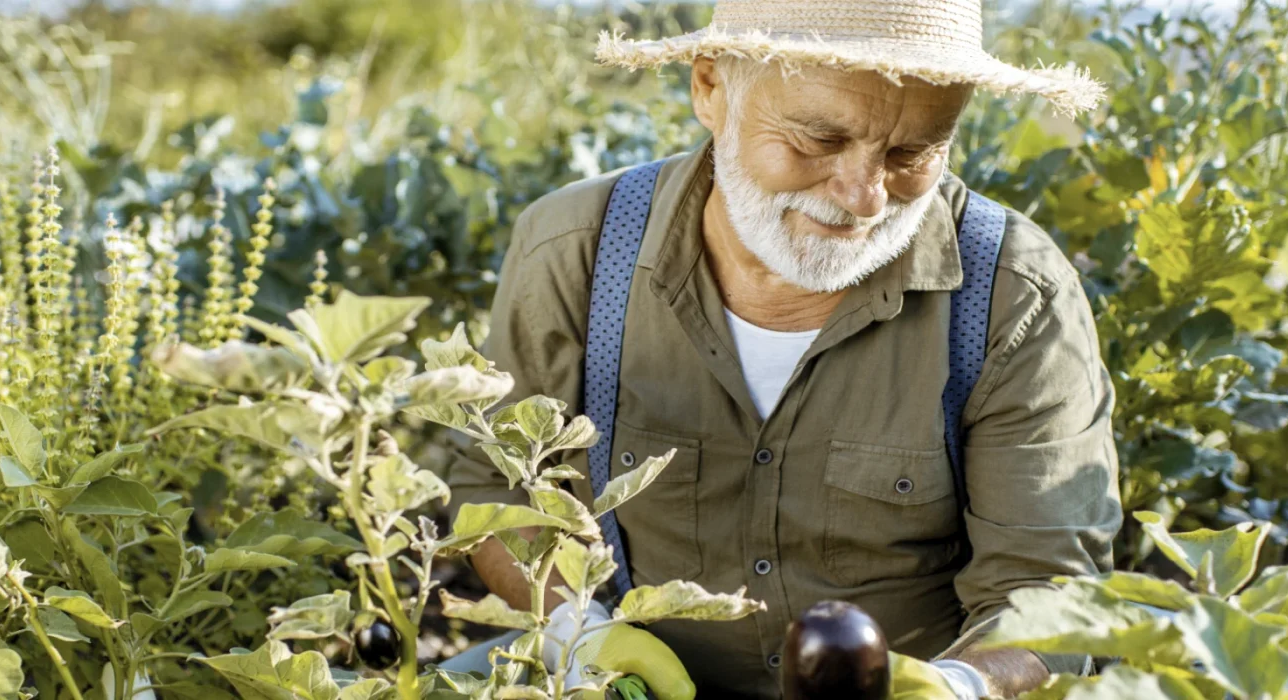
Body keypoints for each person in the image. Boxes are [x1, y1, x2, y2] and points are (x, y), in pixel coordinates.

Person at [443, 0, 1122, 697]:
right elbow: (495, 490)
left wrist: (959, 686)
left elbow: (1048, 587)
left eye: (910, 154)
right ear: (710, 88)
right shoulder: (578, 252)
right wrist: (578, 634)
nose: (863, 197)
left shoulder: (1013, 295)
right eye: (816, 141)